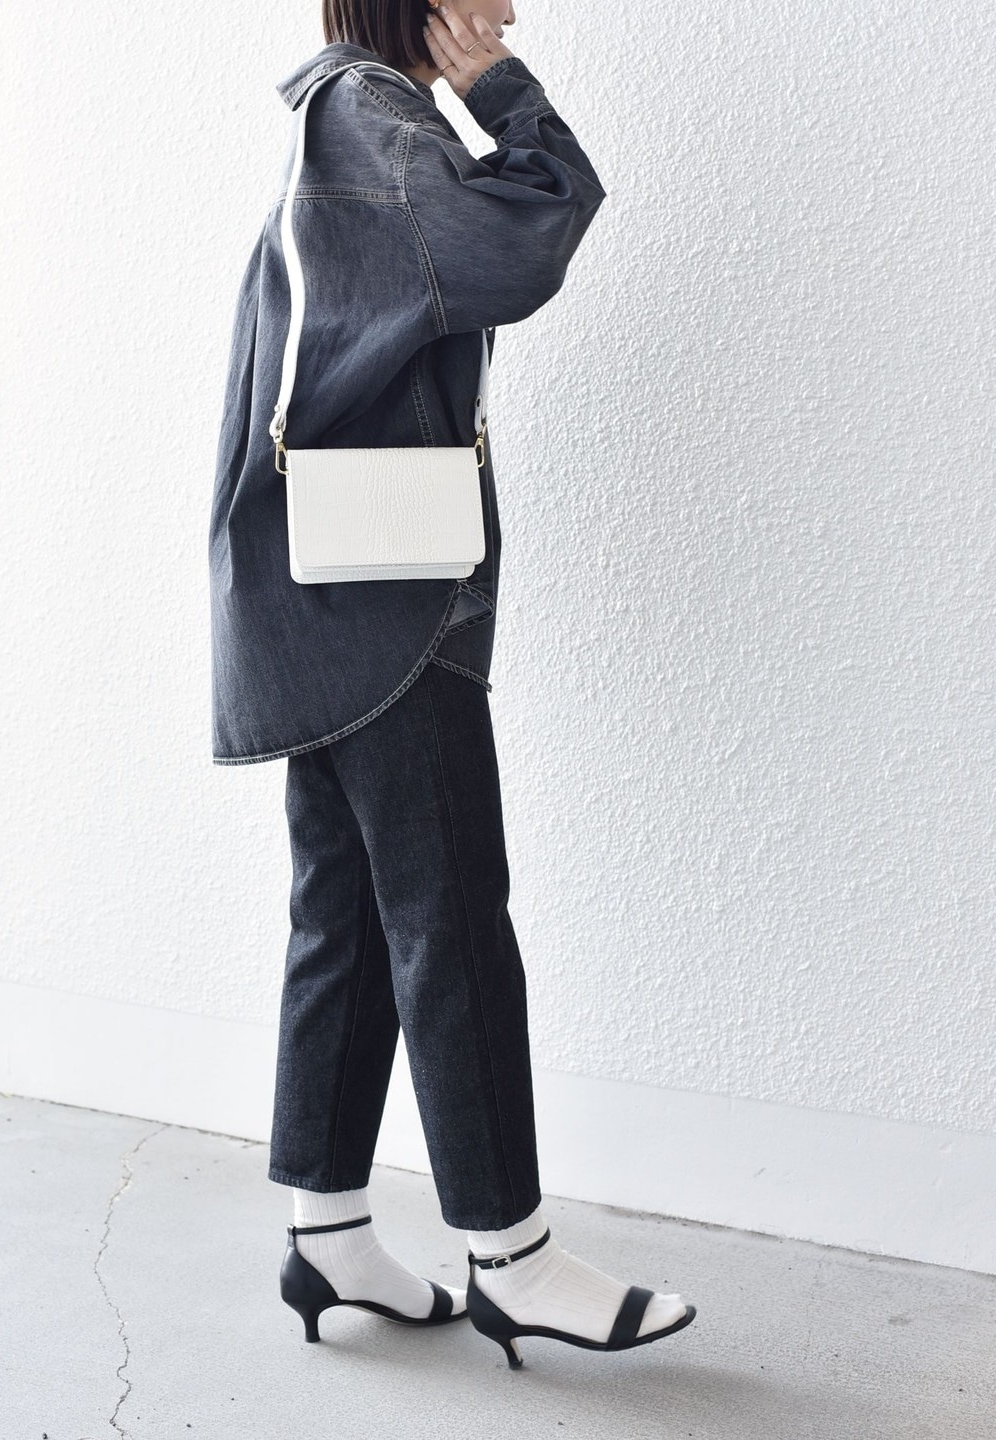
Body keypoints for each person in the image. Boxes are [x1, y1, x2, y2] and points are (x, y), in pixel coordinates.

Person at [207, 0, 697, 1368]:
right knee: (452, 919)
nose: (509, 10)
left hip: (315, 592)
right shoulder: (375, 114)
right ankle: (512, 1256)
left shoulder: (338, 119)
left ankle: (328, 1234)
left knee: (353, 914)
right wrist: (511, 96)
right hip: (383, 602)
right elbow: (521, 242)